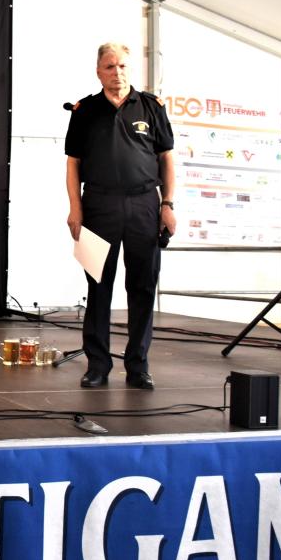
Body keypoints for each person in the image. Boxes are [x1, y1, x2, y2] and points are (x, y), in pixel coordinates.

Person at [65, 42, 176, 390]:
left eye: (123, 65)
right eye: (110, 66)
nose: (118, 72)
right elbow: (73, 163)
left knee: (142, 287)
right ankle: (97, 366)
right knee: (98, 286)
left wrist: (168, 204)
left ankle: (138, 366)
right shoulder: (84, 110)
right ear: (99, 72)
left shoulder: (151, 107)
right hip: (98, 206)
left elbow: (167, 158)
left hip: (144, 204)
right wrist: (75, 207)